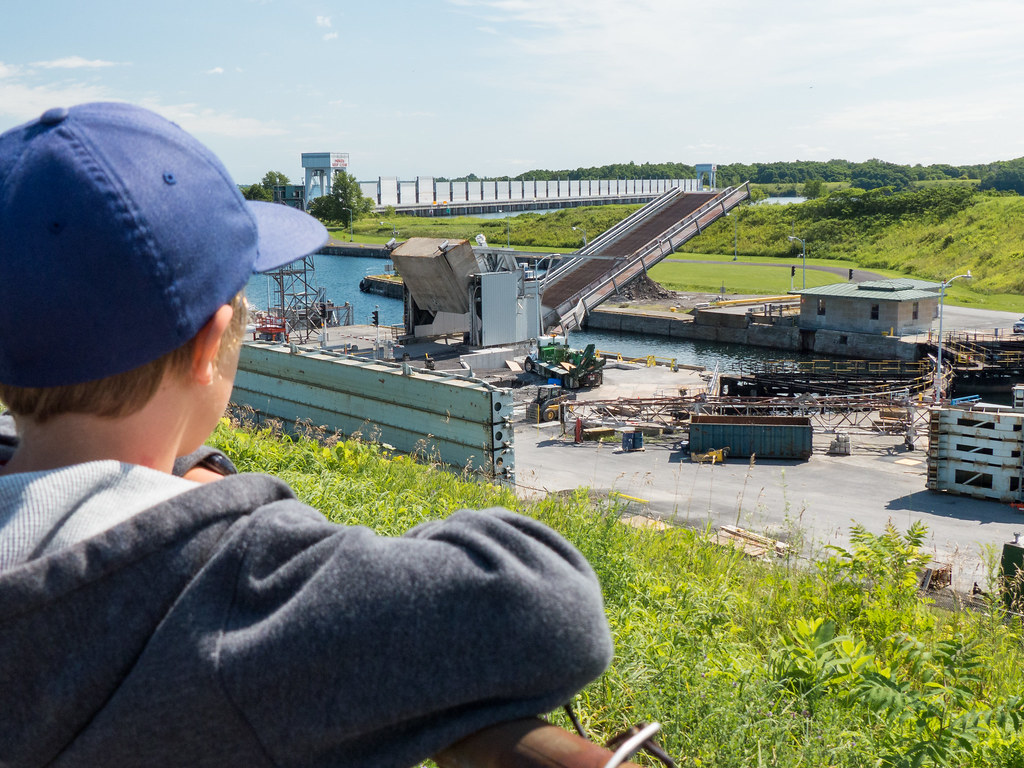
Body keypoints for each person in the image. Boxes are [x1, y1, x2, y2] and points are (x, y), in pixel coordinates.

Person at [0, 103, 612, 767]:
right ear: (211, 344)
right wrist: (225, 509)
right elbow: (555, 612)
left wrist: (183, 471)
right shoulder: (243, 589)